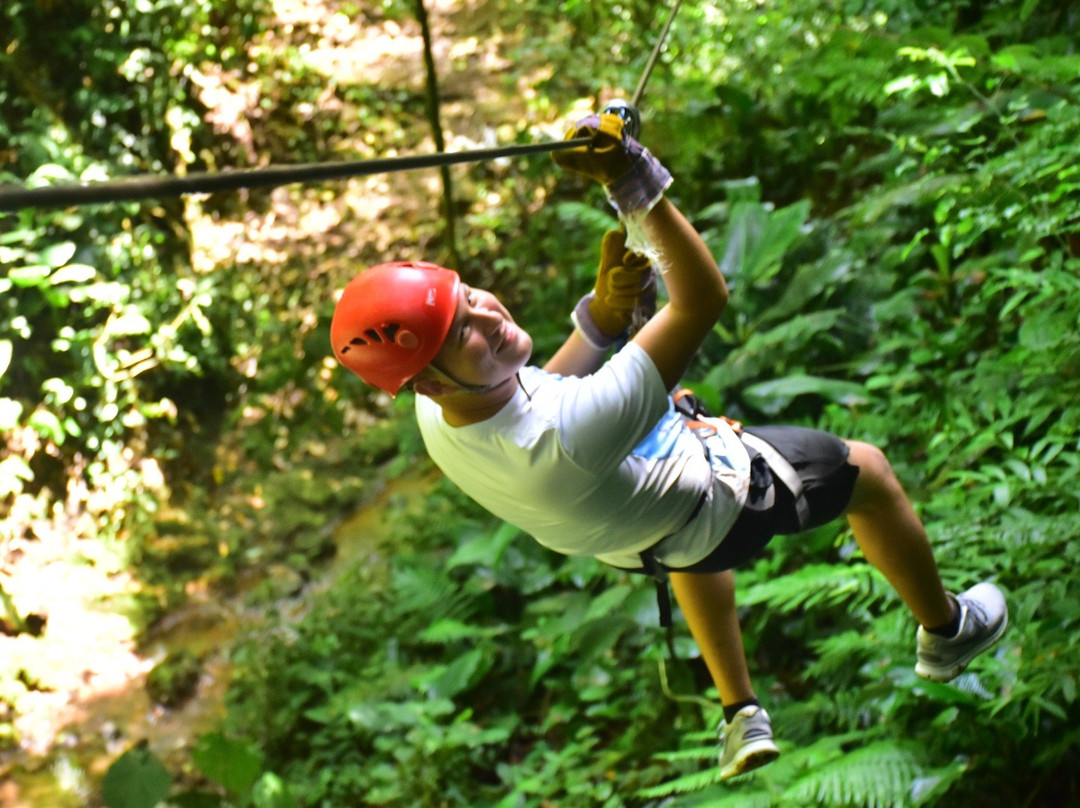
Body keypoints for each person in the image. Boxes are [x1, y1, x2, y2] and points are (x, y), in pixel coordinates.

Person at [329, 112, 1008, 780]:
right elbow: (702, 300)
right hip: (718, 503)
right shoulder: (568, 437)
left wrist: (602, 315)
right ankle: (948, 633)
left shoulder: (436, 412)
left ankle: (740, 710)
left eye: (470, 295)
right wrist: (632, 181)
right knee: (869, 472)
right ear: (430, 378)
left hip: (632, 532)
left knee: (678, 526)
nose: (489, 314)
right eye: (462, 332)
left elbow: (544, 390)